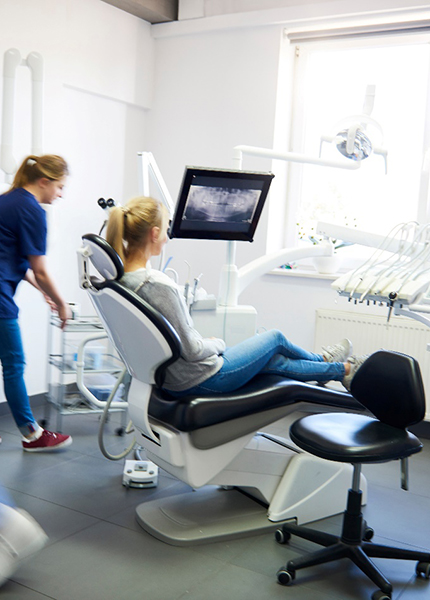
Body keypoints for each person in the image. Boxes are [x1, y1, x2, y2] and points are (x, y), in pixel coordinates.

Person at [106, 196, 368, 396]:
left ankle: (339, 370)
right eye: (164, 230)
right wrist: (217, 343)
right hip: (201, 377)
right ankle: (329, 363)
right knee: (274, 338)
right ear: (153, 234)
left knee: (274, 360)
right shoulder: (156, 285)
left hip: (176, 375)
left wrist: (204, 344)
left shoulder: (122, 280)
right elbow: (193, 349)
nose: (166, 237)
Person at [0, 155, 73, 451]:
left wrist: (37, 287)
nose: (61, 194)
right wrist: (61, 302)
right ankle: (33, 435)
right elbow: (40, 267)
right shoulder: (31, 210)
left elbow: (10, 255)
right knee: (14, 364)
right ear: (44, 181)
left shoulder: (8, 200)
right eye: (59, 187)